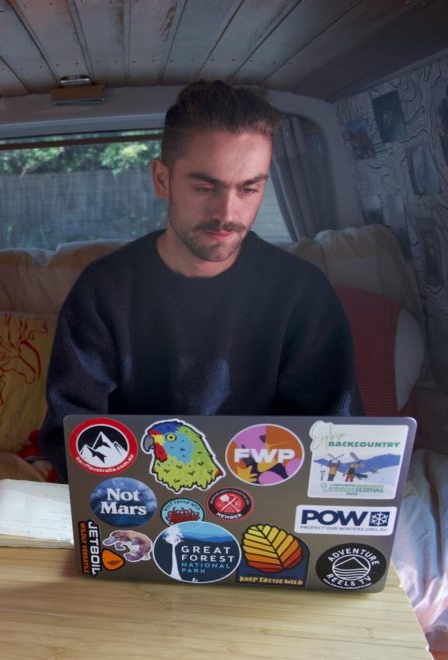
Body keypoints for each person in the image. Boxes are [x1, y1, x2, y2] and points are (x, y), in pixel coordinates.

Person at [40, 80, 361, 481]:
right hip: (134, 499)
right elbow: (72, 432)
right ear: (162, 179)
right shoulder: (102, 291)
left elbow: (334, 435)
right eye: (205, 187)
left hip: (267, 496)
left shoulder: (303, 294)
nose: (227, 212)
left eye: (249, 188)